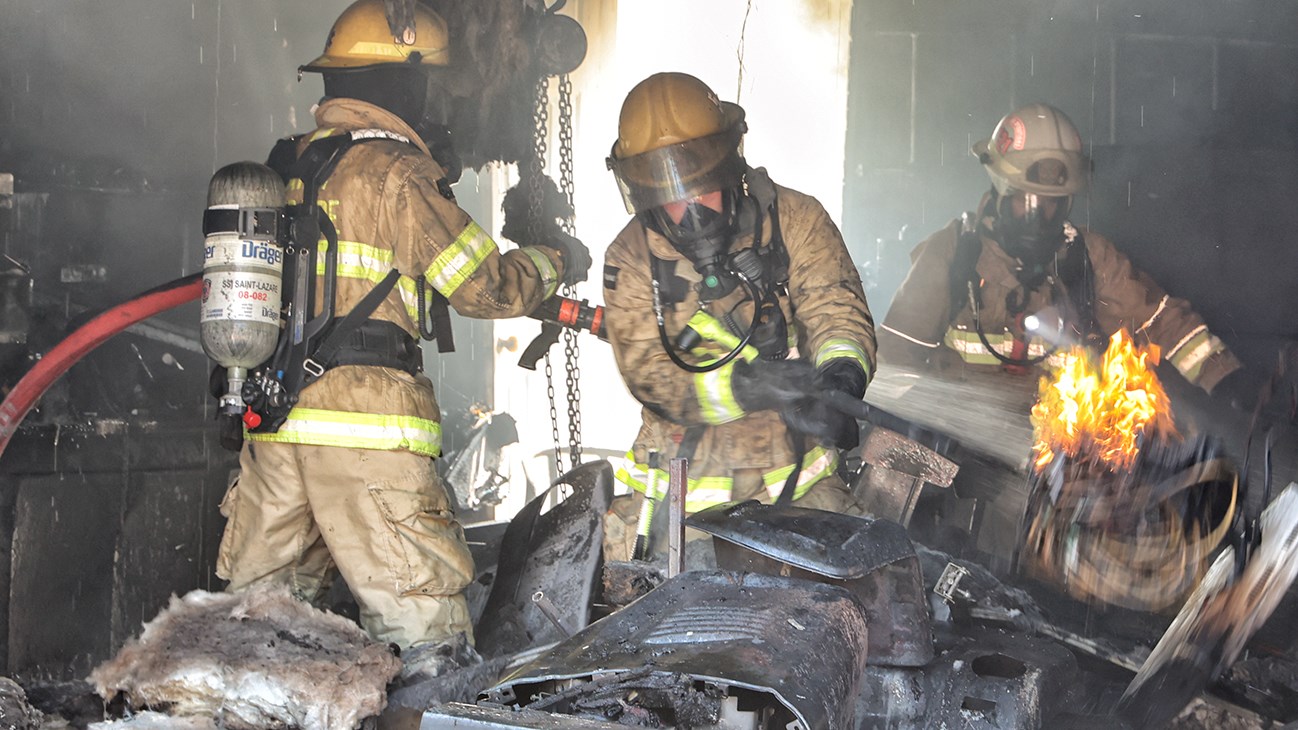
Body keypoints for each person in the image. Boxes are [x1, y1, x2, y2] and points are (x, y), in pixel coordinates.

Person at [212, 0, 589, 682]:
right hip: (368, 436)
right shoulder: (396, 175)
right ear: (403, 84)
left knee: (251, 641)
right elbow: (486, 287)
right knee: (430, 648)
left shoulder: (288, 167)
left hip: (274, 428)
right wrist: (552, 260)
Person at [600, 72, 877, 561]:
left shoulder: (794, 219)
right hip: (679, 512)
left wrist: (841, 377)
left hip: (800, 489)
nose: (688, 213)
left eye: (700, 189)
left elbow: (834, 305)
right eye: (668, 196)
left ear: (729, 168)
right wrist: (747, 386)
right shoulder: (631, 256)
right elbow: (648, 370)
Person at [878, 103, 1245, 399]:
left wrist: (1225, 378)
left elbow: (1161, 320)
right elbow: (895, 357)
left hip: (1060, 453)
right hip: (961, 453)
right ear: (1001, 190)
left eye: (1054, 203)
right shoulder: (953, 252)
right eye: (1026, 200)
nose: (1041, 215)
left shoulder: (1088, 256)